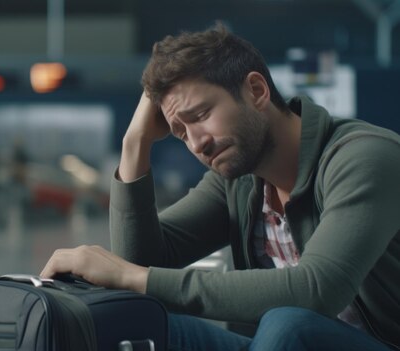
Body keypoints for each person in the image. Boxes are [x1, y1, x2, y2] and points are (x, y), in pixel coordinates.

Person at [40, 23, 400, 350]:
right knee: (131, 324)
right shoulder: (240, 182)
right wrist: (135, 143)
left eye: (200, 115)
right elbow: (143, 261)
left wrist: (133, 277)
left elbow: (317, 289)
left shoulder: (364, 158)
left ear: (256, 90)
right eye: (180, 133)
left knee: (287, 324)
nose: (196, 143)